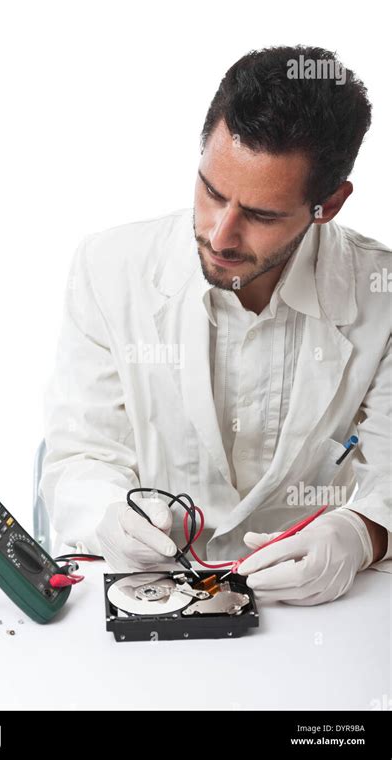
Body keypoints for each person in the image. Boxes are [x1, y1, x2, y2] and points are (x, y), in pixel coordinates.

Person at [41, 45, 392, 605]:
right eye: (212, 192)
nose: (221, 235)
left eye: (261, 214)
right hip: (151, 599)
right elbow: (81, 455)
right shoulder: (108, 269)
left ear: (329, 203)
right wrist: (111, 515)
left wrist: (361, 534)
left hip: (315, 608)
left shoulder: (384, 295)